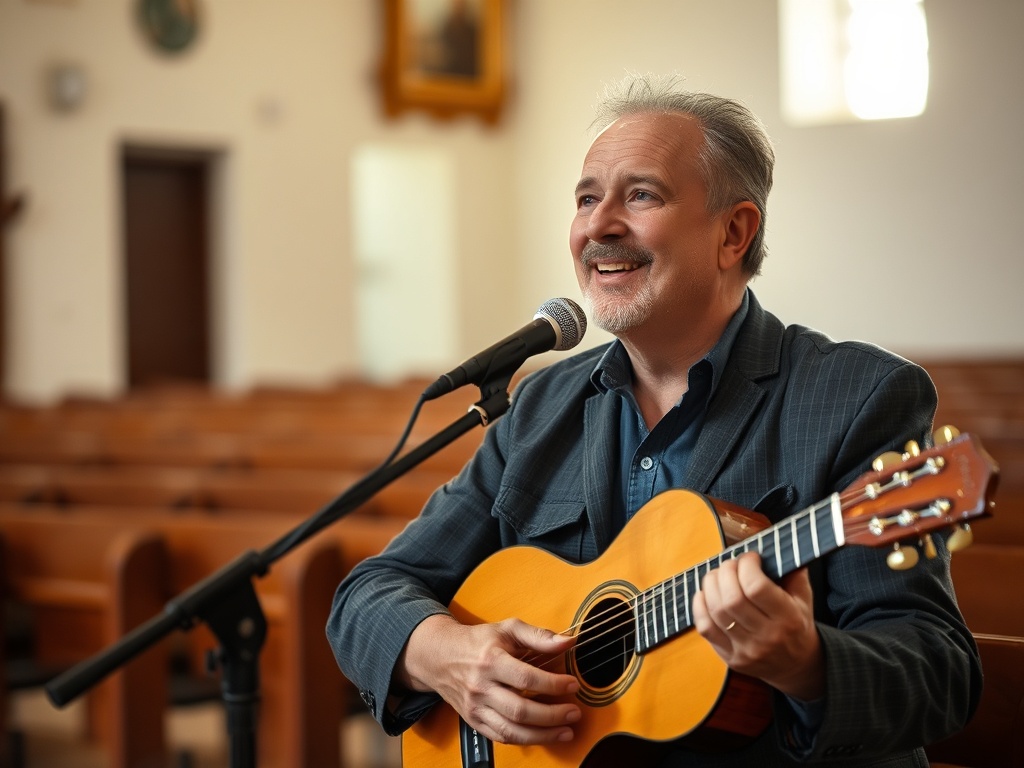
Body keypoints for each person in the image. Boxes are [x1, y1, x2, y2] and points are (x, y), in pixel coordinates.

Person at [326, 74, 981, 765]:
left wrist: (806, 663)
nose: (598, 225)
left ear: (734, 232)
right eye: (586, 198)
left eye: (640, 195)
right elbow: (367, 595)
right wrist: (448, 654)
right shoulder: (544, 408)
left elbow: (941, 675)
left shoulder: (858, 398)